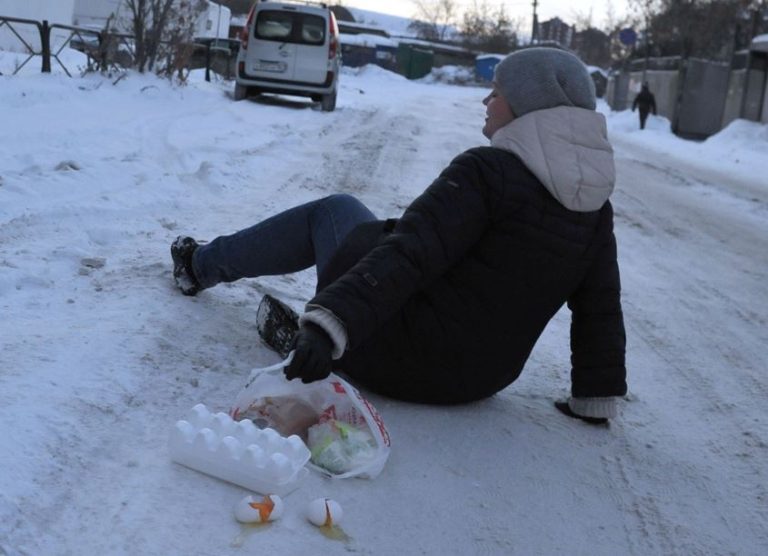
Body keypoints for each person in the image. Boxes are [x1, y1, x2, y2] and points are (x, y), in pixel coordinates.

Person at [171, 47, 627, 425]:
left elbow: (410, 254)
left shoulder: (486, 171)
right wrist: (594, 397)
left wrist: (330, 327)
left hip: (400, 360)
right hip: (480, 381)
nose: (486, 102)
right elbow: (599, 306)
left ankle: (198, 266)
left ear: (527, 107)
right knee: (380, 229)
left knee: (337, 211)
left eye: (497, 92)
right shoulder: (593, 206)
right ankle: (324, 326)